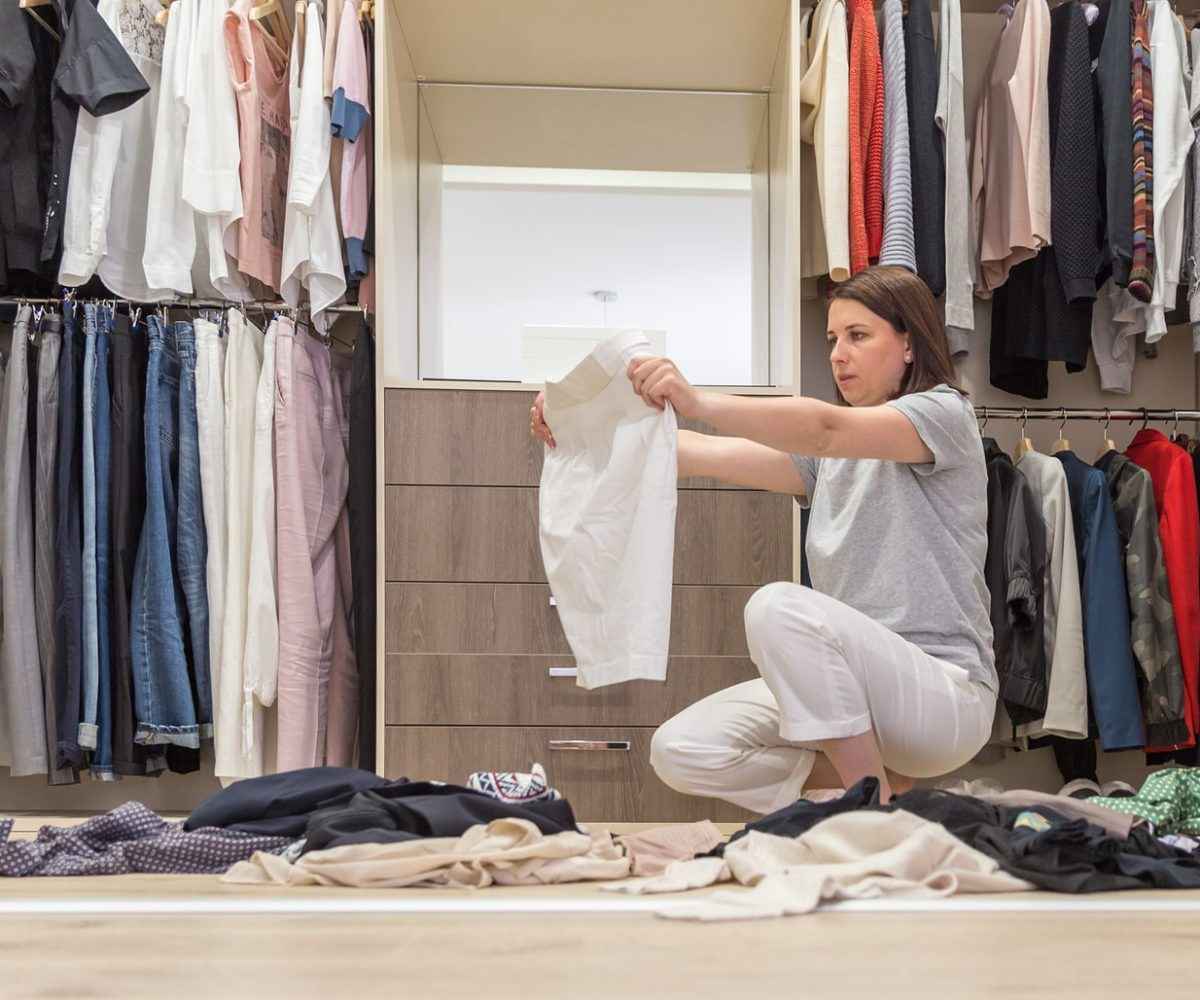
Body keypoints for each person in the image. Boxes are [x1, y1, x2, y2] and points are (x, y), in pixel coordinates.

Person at [529, 265, 996, 809]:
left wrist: (698, 401)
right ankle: (880, 788)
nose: (838, 354)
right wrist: (579, 430)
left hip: (942, 696)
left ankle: (872, 812)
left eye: (858, 336)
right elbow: (684, 455)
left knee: (778, 608)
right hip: (852, 692)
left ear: (910, 343)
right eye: (832, 339)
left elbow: (827, 429)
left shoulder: (944, 415)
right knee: (680, 749)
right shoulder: (830, 464)